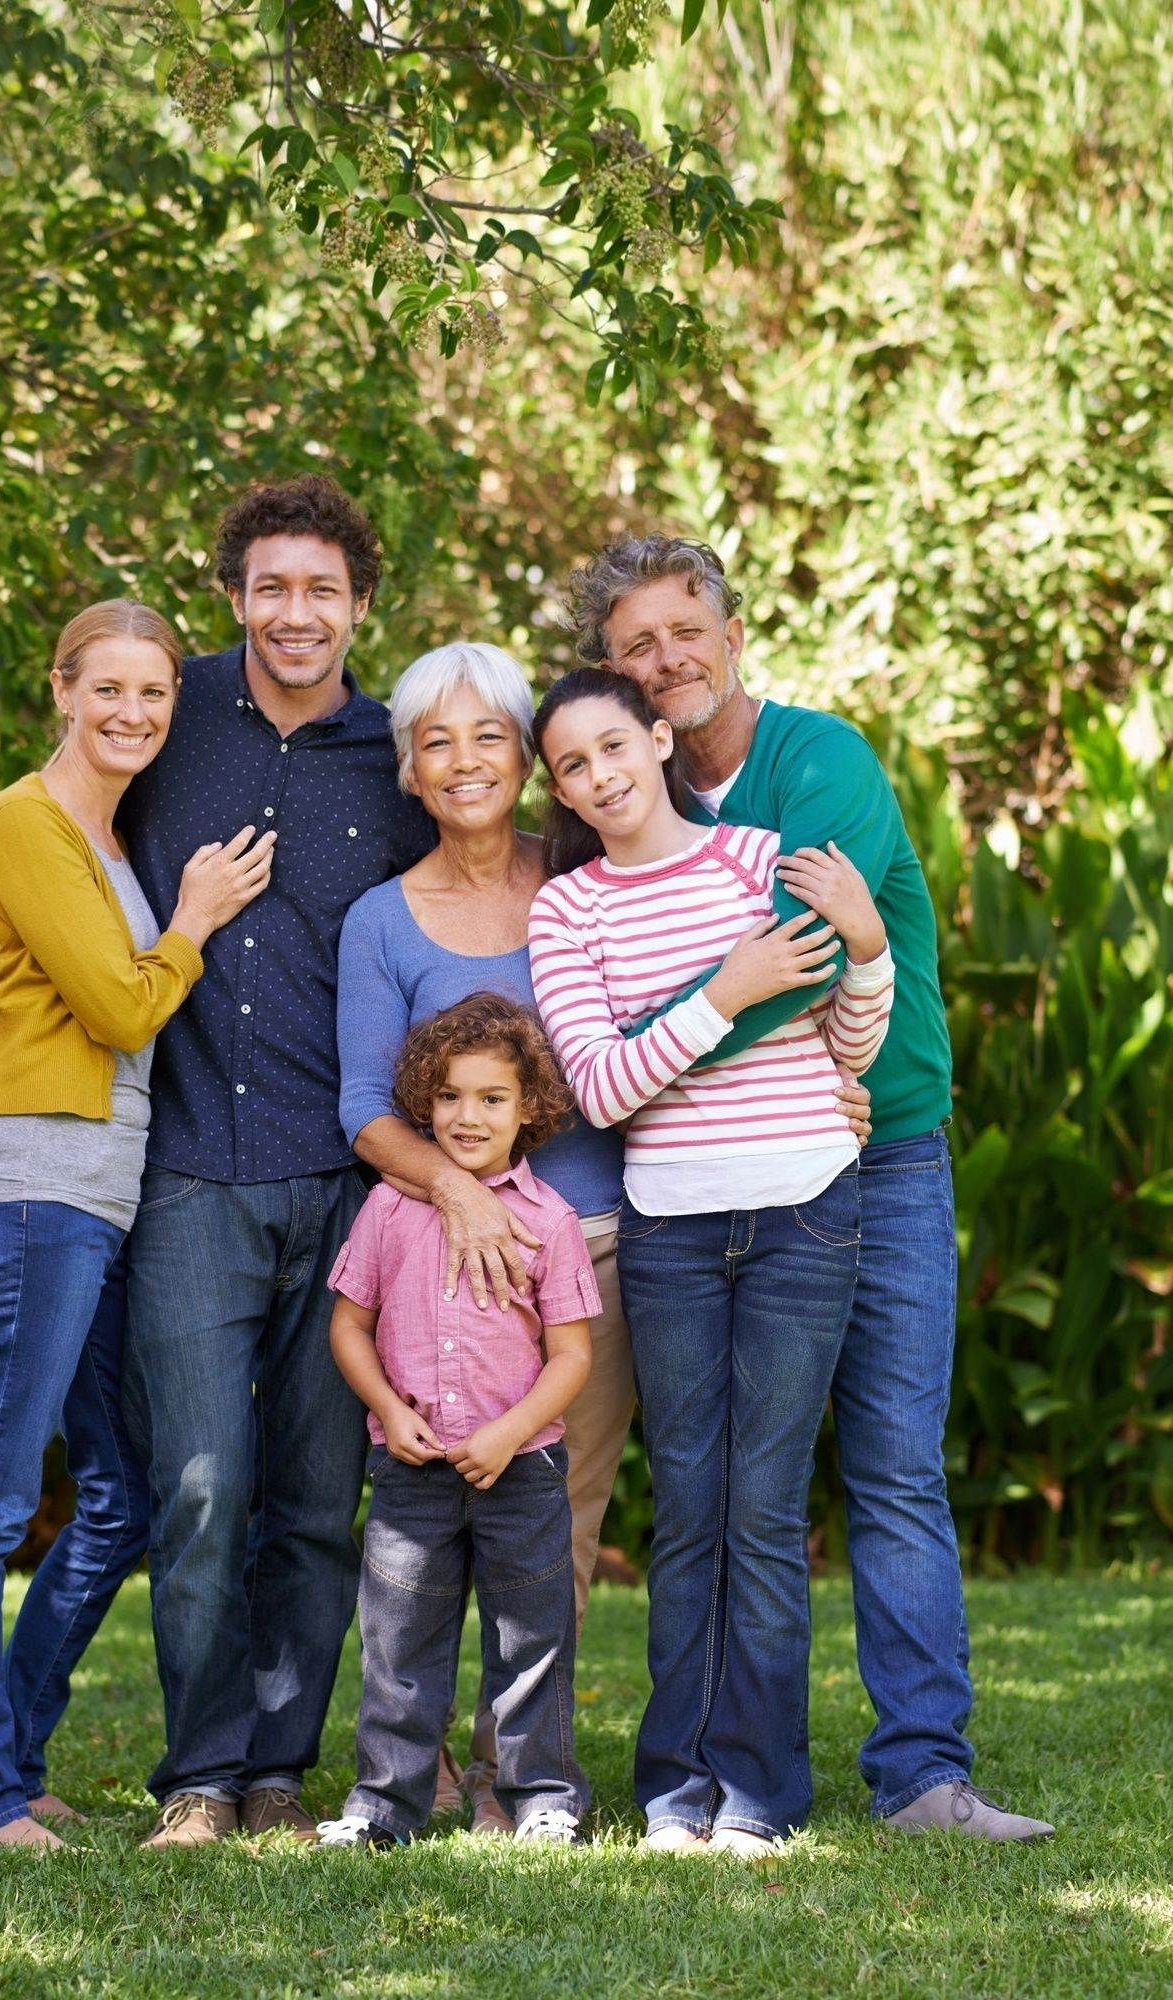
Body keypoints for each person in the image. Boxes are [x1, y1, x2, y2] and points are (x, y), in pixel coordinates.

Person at [0, 477, 443, 1848]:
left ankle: (276, 1771)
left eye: (320, 590)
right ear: (232, 597)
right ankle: (201, 1780)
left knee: (314, 1508)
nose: (293, 613)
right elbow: (50, 847)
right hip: (180, 1179)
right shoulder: (164, 714)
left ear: (359, 606)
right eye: (268, 586)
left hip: (343, 1181)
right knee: (197, 1493)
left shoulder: (393, 758)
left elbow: (479, 886)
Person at [564, 533, 1055, 1843]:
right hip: (712, 1174)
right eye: (633, 647)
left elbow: (779, 956)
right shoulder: (619, 797)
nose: (663, 660)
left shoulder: (819, 761)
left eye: (682, 631)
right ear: (608, 673)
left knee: (889, 1462)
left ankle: (920, 1775)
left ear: (729, 633)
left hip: (877, 1143)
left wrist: (628, 1062)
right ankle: (727, 1777)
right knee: (724, 1488)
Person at [528, 668, 895, 1856]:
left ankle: (760, 1796)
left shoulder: (756, 859)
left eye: (612, 746)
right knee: (689, 1509)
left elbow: (847, 1027)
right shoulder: (568, 909)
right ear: (565, 790)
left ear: (656, 733)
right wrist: (728, 990)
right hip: (672, 1226)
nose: (599, 775)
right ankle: (677, 1790)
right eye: (572, 766)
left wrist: (871, 946)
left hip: (802, 1210)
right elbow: (600, 1083)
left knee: (763, 1506)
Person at [0, 598, 239, 1845]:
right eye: (107, 688)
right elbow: (117, 1006)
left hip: (104, 1195)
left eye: (154, 693)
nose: (133, 712)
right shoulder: (24, 819)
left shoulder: (111, 839)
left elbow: (17, 973)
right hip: (29, 1192)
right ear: (62, 688)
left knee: (121, 1492)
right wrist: (196, 922)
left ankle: (14, 1736)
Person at [335, 640, 629, 1832]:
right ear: (409, 767)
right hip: (428, 1274)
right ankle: (419, 1775)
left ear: (528, 756)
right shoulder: (378, 920)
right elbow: (364, 1105)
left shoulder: (590, 882)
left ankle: (518, 1771)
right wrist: (457, 1194)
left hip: (588, 1247)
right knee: (415, 1553)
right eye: (435, 739)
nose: (464, 760)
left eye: (488, 734)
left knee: (556, 1524)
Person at [318, 996, 598, 1850]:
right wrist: (388, 1410)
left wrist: (510, 1431)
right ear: (421, 1104)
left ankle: (541, 1797)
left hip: (520, 1470)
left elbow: (572, 1357)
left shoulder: (548, 1221)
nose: (466, 1116)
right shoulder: (389, 1210)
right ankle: (384, 1808)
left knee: (532, 1641)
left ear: (529, 1111)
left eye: (490, 1098)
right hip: (411, 1470)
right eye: (447, 1096)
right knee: (399, 1649)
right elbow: (347, 1327)